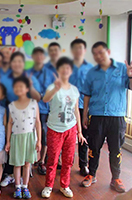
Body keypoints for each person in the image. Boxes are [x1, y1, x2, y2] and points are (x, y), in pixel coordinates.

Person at [81, 41, 132, 193]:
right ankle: (91, 174)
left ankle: (115, 178)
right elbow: (87, 95)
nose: (98, 56)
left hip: (116, 116)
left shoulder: (123, 69)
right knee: (94, 147)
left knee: (115, 148)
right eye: (95, 54)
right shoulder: (92, 73)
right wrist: (85, 115)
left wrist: (130, 76)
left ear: (108, 51)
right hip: (96, 115)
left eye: (100, 52)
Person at [41, 57, 87, 198]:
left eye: (68, 68)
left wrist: (79, 131)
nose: (65, 71)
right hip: (55, 129)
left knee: (68, 160)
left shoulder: (74, 90)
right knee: (52, 160)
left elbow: (76, 112)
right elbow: (45, 99)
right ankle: (48, 186)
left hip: (70, 129)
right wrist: (55, 87)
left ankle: (64, 186)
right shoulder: (52, 87)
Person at [5, 76, 42, 199]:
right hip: (16, 137)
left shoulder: (33, 103)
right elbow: (9, 123)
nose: (19, 89)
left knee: (27, 164)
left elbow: (37, 122)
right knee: (17, 164)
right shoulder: (12, 105)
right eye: (17, 87)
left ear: (27, 88)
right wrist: (8, 141)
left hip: (30, 137)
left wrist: (39, 141)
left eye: (22, 86)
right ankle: (17, 187)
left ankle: (25, 186)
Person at [29, 47, 55, 176]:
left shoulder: (50, 73)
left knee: (44, 134)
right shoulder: (28, 72)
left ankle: (42, 160)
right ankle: (28, 159)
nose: (39, 57)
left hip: (45, 108)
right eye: (36, 55)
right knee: (28, 134)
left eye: (41, 55)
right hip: (29, 108)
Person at [69, 39, 93, 176]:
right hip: (69, 107)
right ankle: (66, 161)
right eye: (76, 48)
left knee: (84, 136)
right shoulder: (67, 67)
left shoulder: (91, 68)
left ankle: (83, 165)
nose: (78, 50)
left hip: (85, 107)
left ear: (84, 50)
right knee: (68, 135)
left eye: (81, 48)